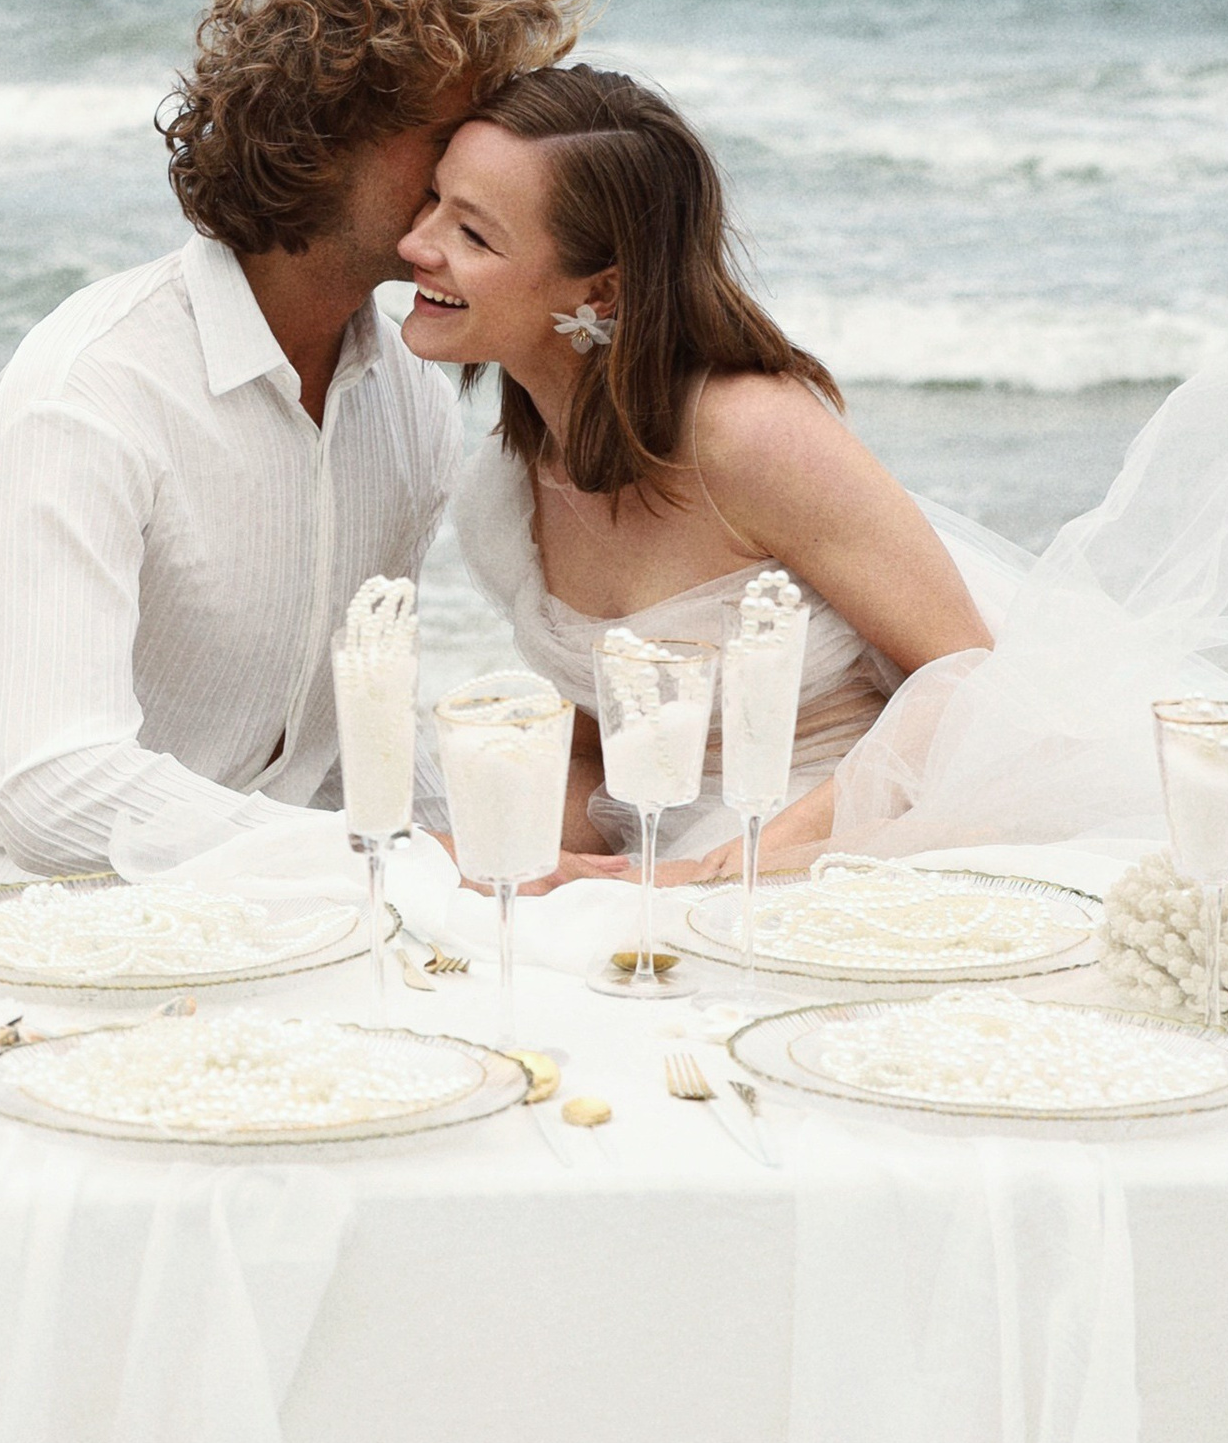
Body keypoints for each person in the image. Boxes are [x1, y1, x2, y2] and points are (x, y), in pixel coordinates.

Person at [0, 0, 591, 876]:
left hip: (275, 910)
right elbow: (53, 786)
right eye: (454, 130)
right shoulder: (94, 386)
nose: (484, 161)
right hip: (19, 917)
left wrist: (487, 873)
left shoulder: (407, 385)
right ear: (325, 131)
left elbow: (352, 735)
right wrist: (402, 863)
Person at [399, 65, 988, 882]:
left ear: (600, 293)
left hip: (844, 841)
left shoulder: (750, 435)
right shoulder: (507, 486)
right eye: (431, 201)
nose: (415, 245)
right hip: (661, 840)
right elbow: (596, 740)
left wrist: (675, 880)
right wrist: (538, 864)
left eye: (473, 234)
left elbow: (964, 681)